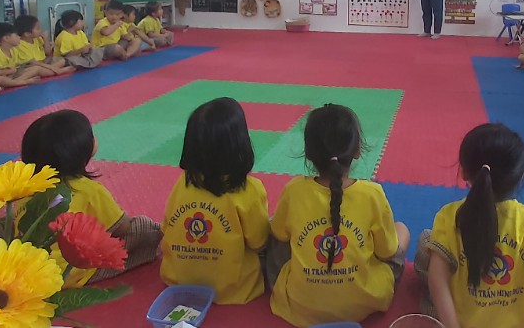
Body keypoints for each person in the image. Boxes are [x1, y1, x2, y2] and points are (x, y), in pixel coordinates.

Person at [266, 104, 410, 327]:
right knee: (401, 230)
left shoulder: (293, 191)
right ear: (357, 150)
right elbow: (386, 251)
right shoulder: (372, 194)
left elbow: (279, 235)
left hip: (300, 303)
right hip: (363, 302)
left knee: (276, 229)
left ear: (309, 154)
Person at [416, 124, 524, 328]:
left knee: (426, 241)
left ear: (464, 172)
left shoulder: (450, 216)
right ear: (520, 176)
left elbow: (437, 280)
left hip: (463, 322)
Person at [22, 110, 160, 287]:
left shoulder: (24, 187)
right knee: (144, 228)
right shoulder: (88, 189)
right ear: (82, 150)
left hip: (30, 271)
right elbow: (122, 227)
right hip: (70, 273)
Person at [160, 98, 269, 304]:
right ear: (241, 144)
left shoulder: (183, 182)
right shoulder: (250, 189)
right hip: (233, 289)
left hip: (179, 281)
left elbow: (166, 229)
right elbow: (260, 243)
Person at [0, 23, 43, 88]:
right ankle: (22, 82)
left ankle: (10, 83)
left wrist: (12, 72)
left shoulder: (13, 50)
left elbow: (13, 67)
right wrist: (11, 71)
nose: (19, 37)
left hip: (5, 73)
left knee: (31, 69)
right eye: (16, 35)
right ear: (6, 38)